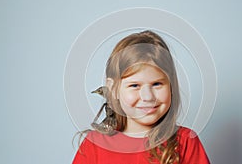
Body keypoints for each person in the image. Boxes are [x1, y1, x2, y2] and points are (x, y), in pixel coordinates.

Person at [72, 30, 210, 164]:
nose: (148, 97)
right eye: (134, 86)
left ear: (171, 85)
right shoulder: (95, 145)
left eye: (157, 84)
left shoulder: (185, 142)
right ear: (113, 89)